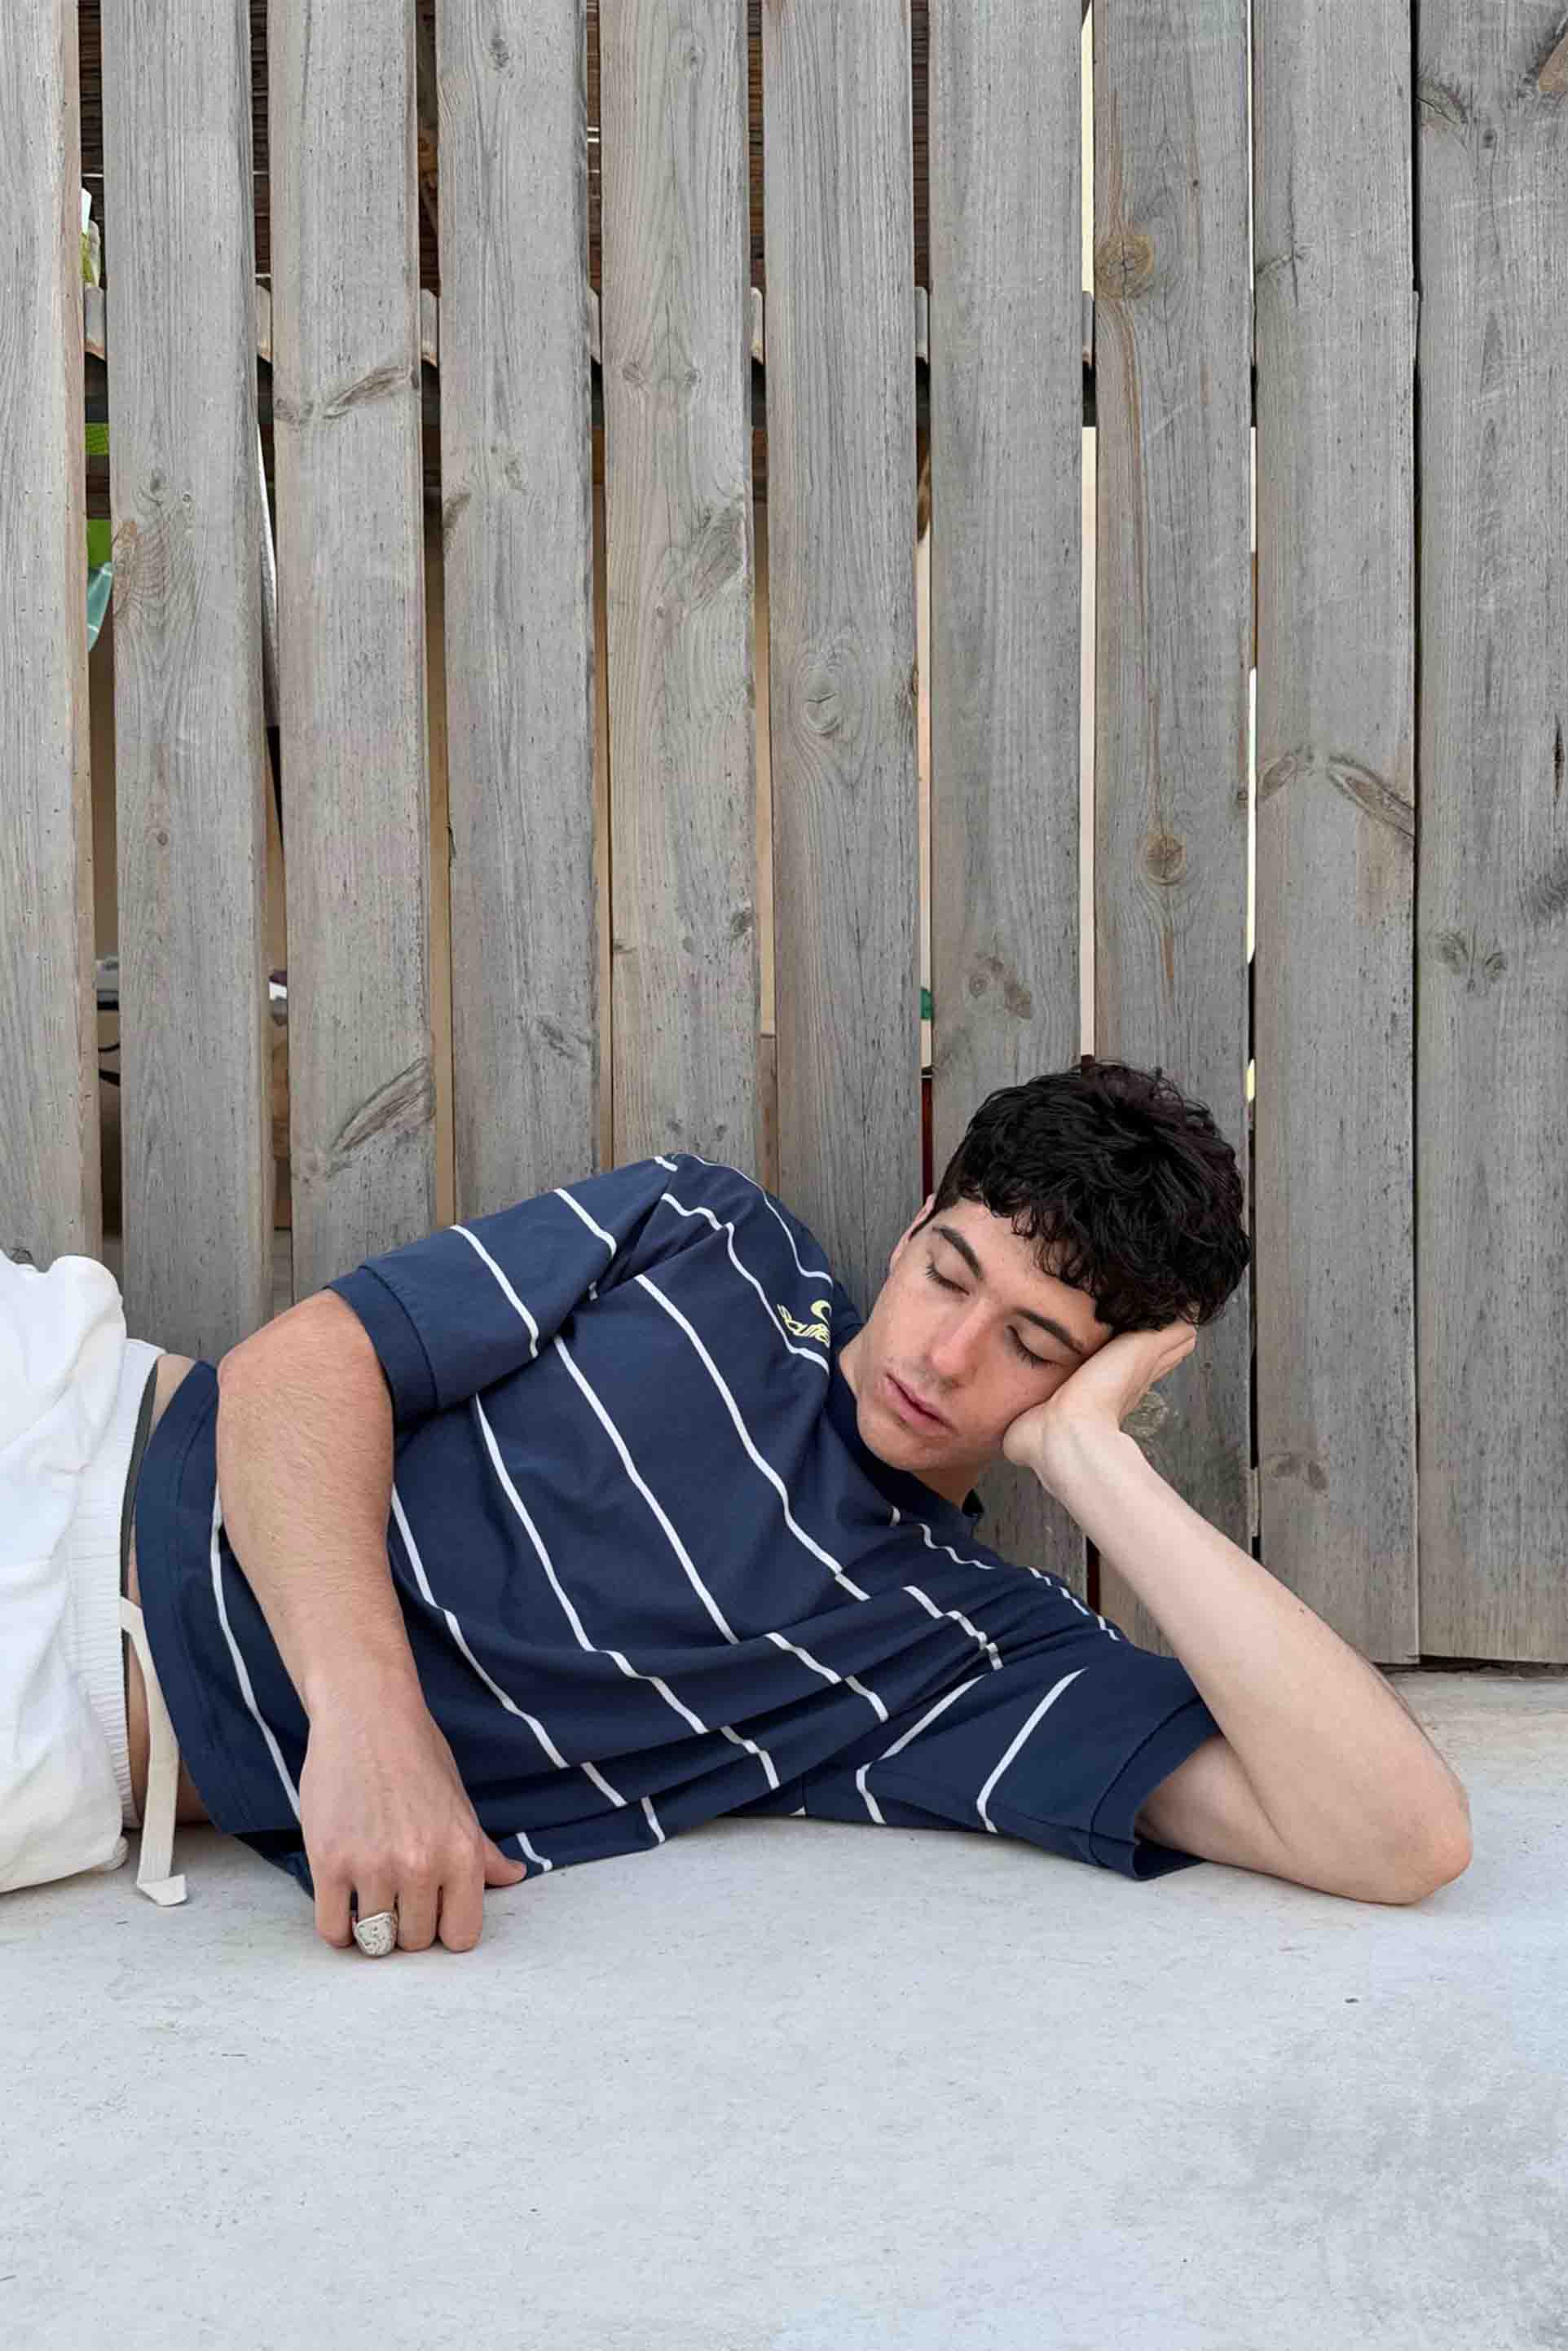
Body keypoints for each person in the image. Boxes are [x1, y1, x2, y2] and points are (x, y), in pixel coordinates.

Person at [2, 1058, 1471, 1952]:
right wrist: (372, 1721)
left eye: (1033, 1344)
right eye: (950, 1273)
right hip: (71, 1397)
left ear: (1101, 1381)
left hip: (66, 1711)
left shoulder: (948, 1654)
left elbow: (1399, 1837)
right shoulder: (712, 1235)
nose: (946, 1354)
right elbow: (298, 1367)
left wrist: (1099, 1466)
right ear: (913, 1227)